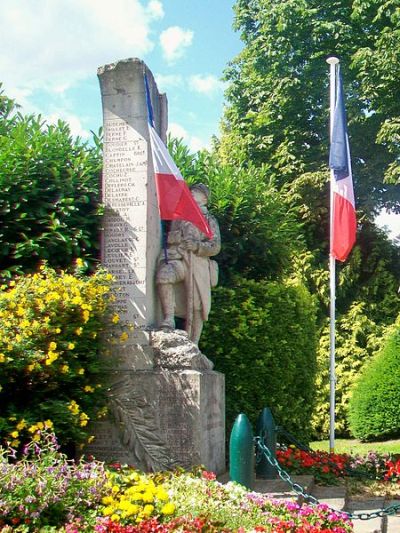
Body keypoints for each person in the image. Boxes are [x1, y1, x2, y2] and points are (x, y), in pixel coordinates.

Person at [156, 183, 221, 344]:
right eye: (191, 191)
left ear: (204, 199)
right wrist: (180, 240)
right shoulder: (179, 217)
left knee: (197, 306)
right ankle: (169, 318)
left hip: (198, 264)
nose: (191, 193)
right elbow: (170, 238)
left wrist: (198, 246)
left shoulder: (209, 219)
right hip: (179, 258)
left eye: (196, 192)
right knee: (164, 276)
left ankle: (194, 343)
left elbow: (215, 246)